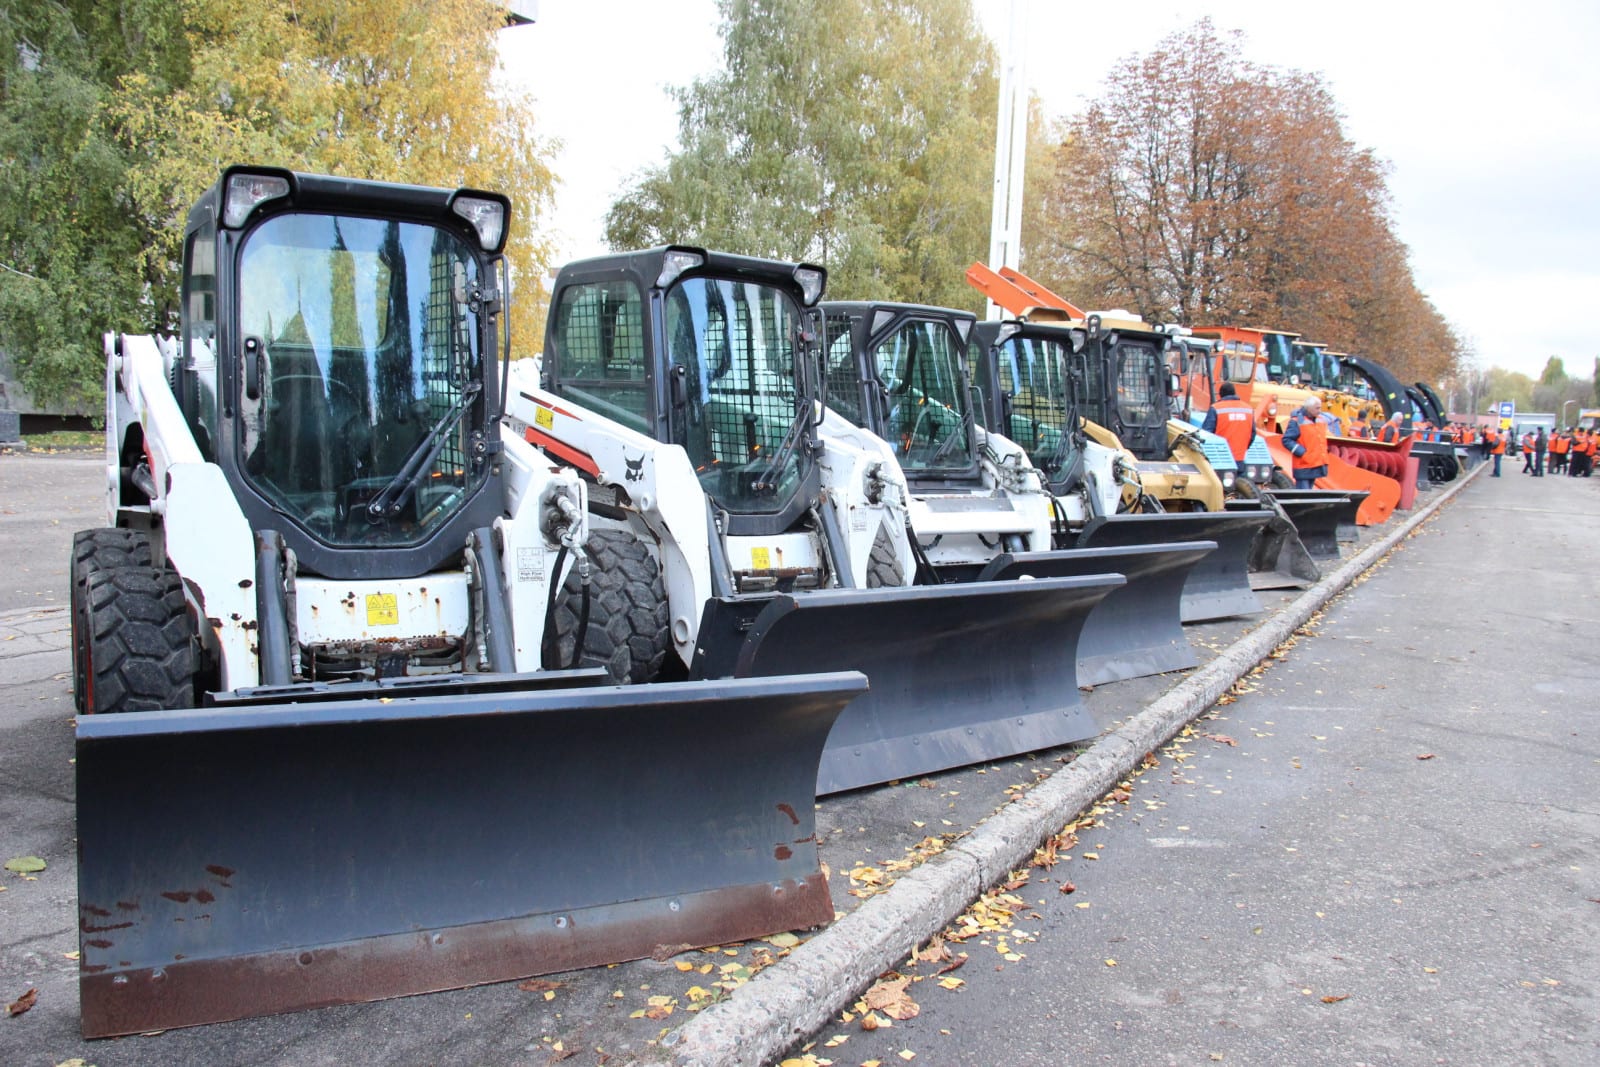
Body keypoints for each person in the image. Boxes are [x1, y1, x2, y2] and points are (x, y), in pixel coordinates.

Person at [1201, 381, 1257, 462]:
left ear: (1221, 395)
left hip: (1219, 457)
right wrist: (1244, 448)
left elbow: (1206, 434)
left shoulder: (1216, 408)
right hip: (1240, 457)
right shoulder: (1248, 409)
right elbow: (1253, 434)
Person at [1281, 395, 1329, 489]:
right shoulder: (1297, 421)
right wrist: (1301, 452)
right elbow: (1286, 440)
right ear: (1309, 408)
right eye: (1317, 408)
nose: (1319, 411)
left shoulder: (1320, 420)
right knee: (1303, 496)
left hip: (1314, 463)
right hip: (1303, 464)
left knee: (1307, 495)